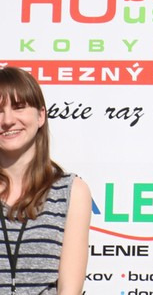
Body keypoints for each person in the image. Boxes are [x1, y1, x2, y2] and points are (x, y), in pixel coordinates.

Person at [0, 66, 91, 295]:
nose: (8, 120)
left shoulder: (71, 192)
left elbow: (69, 290)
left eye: (19, 107)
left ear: (41, 115)